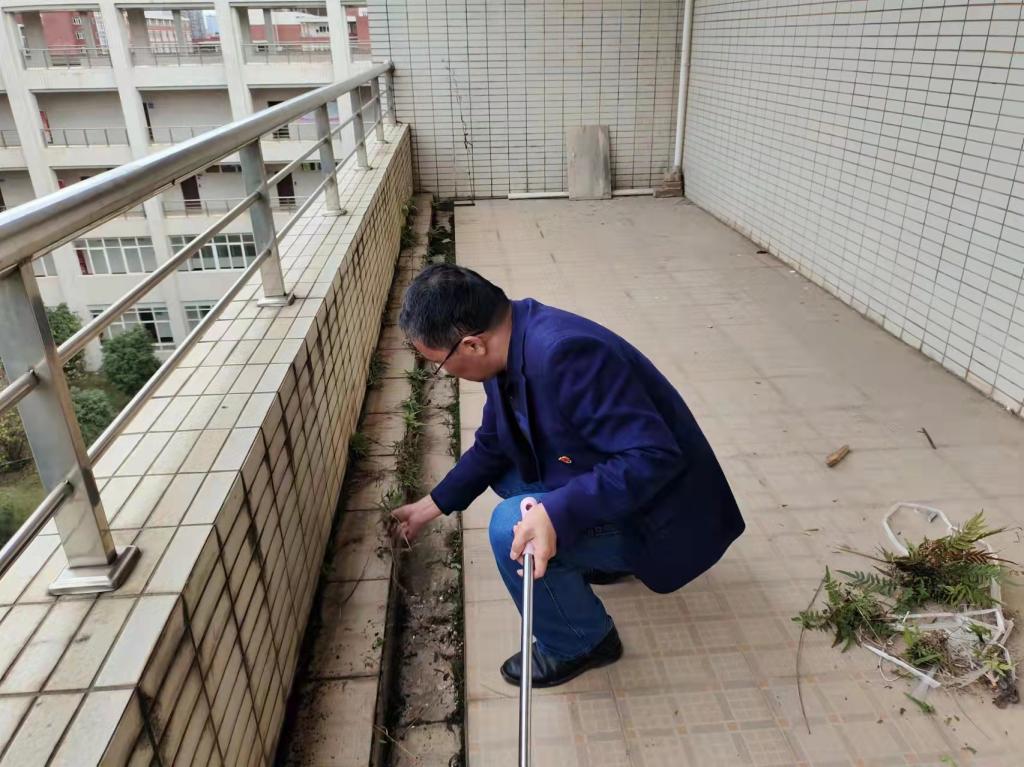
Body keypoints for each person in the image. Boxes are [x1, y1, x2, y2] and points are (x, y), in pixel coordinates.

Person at [391, 264, 745, 688]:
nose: (446, 372)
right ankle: (596, 559)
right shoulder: (510, 340)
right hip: (618, 484)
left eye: (440, 364)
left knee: (509, 527)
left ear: (472, 344)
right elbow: (494, 442)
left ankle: (581, 642)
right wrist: (429, 506)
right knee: (511, 473)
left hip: (663, 513)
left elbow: (654, 457)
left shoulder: (566, 354)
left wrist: (555, 513)